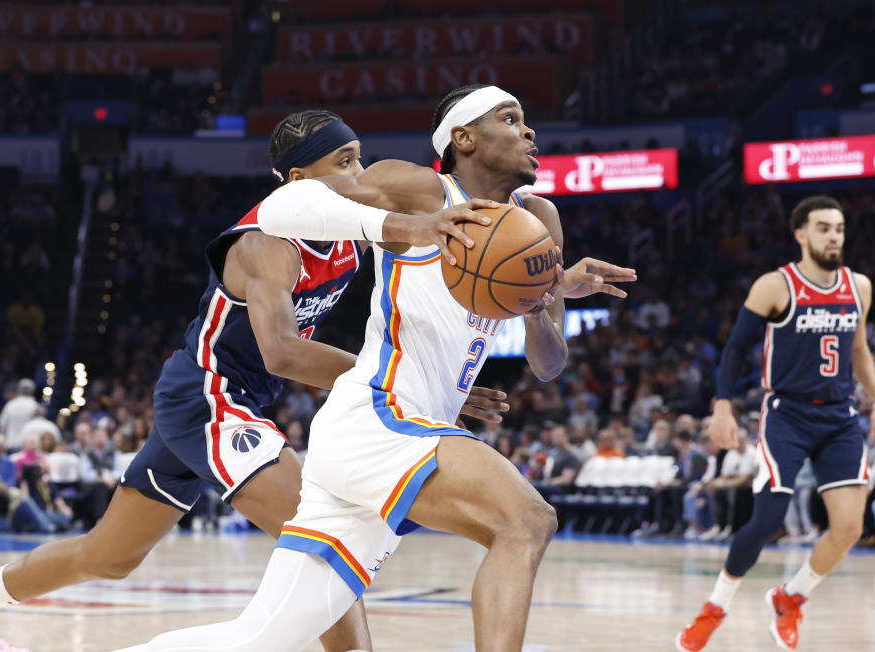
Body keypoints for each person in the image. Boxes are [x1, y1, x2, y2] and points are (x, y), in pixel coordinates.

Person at [0, 110, 507, 652]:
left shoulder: (354, 228)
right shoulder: (265, 244)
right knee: (322, 536)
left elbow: (432, 250)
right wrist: (397, 383)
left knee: (110, 554)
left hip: (216, 401)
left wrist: (436, 380)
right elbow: (282, 354)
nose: (363, 171)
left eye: (361, 156)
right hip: (210, 397)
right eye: (345, 162)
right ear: (301, 179)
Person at [112, 84, 635, 652]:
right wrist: (407, 228)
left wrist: (541, 306)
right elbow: (285, 207)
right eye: (510, 119)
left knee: (260, 636)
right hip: (381, 414)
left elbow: (548, 365)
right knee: (526, 520)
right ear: (463, 138)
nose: (529, 131)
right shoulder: (419, 188)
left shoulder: (538, 218)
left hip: (393, 434)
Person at [678, 195, 875, 651]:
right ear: (801, 235)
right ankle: (714, 609)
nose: (834, 236)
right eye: (824, 228)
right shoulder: (775, 285)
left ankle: (791, 597)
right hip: (787, 413)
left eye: (840, 228)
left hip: (840, 416)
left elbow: (860, 351)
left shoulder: (858, 286)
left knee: (848, 527)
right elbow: (734, 350)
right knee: (767, 520)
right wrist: (722, 405)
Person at [0, 379, 39, 450]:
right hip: (27, 447)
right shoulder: (35, 406)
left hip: (10, 443)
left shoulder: (10, 404)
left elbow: (2, 424)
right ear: (33, 391)